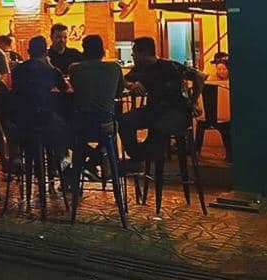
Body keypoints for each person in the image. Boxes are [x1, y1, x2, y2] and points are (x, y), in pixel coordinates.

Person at [119, 36, 206, 167]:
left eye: (134, 52)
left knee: (157, 127)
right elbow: (123, 80)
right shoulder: (140, 69)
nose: (132, 55)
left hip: (177, 112)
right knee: (123, 121)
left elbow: (200, 76)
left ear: (144, 53)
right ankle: (138, 156)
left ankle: (142, 156)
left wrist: (193, 102)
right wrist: (131, 85)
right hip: (155, 111)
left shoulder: (169, 66)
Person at [68, 35, 125, 178]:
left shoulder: (74, 69)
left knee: (65, 134)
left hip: (81, 124)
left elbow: (74, 89)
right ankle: (102, 156)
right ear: (102, 50)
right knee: (111, 129)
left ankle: (91, 160)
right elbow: (119, 92)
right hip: (106, 124)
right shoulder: (115, 68)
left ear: (84, 50)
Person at [11, 36, 70, 168]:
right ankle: (62, 162)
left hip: (21, 120)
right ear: (46, 52)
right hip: (45, 118)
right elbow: (65, 88)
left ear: (28, 52)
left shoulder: (17, 71)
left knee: (33, 129)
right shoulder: (51, 71)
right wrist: (50, 65)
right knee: (65, 127)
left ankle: (21, 158)